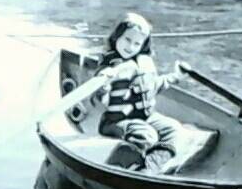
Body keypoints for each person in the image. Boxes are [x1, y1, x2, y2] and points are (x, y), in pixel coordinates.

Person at [91, 12, 215, 174]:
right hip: (117, 121)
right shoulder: (110, 65)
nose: (130, 47)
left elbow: (154, 85)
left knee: (173, 130)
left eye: (137, 43)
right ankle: (115, 169)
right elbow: (100, 97)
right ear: (117, 37)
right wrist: (104, 84)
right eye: (127, 40)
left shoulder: (144, 63)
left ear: (143, 45)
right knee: (146, 135)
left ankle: (149, 169)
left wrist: (176, 76)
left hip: (145, 116)